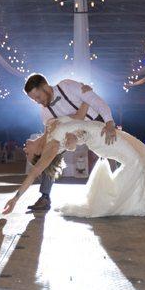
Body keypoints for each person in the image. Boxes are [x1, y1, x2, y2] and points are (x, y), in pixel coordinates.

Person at [2, 103, 145, 217]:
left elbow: (79, 116)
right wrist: (15, 199)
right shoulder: (51, 147)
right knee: (137, 160)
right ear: (37, 154)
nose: (24, 150)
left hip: (100, 128)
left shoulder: (49, 126)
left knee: (142, 153)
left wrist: (86, 97)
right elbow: (35, 172)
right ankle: (134, 202)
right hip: (102, 140)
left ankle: (126, 200)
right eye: (27, 154)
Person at [23, 73, 117, 211]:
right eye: (34, 100)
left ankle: (115, 192)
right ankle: (45, 197)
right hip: (70, 133)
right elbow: (53, 133)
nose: (38, 101)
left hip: (94, 122)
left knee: (110, 152)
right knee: (50, 154)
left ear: (45, 87)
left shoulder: (67, 86)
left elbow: (95, 100)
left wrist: (109, 121)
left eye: (38, 97)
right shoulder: (44, 112)